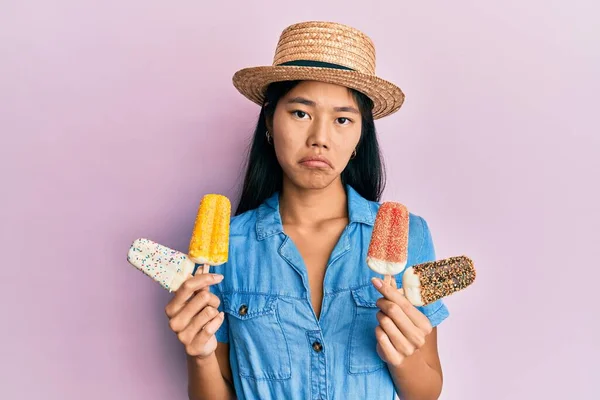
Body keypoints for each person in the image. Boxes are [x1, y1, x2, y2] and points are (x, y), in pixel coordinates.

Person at [164, 21, 449, 400]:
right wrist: (198, 355)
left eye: (343, 119)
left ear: (360, 135)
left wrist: (401, 354)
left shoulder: (409, 235)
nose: (320, 138)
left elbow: (427, 391)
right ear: (269, 120)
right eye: (300, 113)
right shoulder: (225, 247)